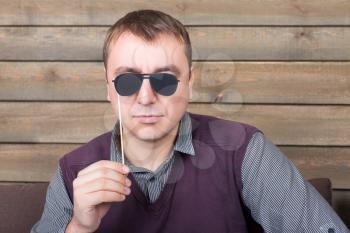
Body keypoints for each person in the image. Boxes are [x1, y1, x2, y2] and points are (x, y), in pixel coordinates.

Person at [31, 10, 349, 233]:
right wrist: (79, 228)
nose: (145, 97)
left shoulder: (244, 150)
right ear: (109, 90)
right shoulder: (72, 171)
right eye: (127, 81)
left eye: (165, 79)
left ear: (190, 84)